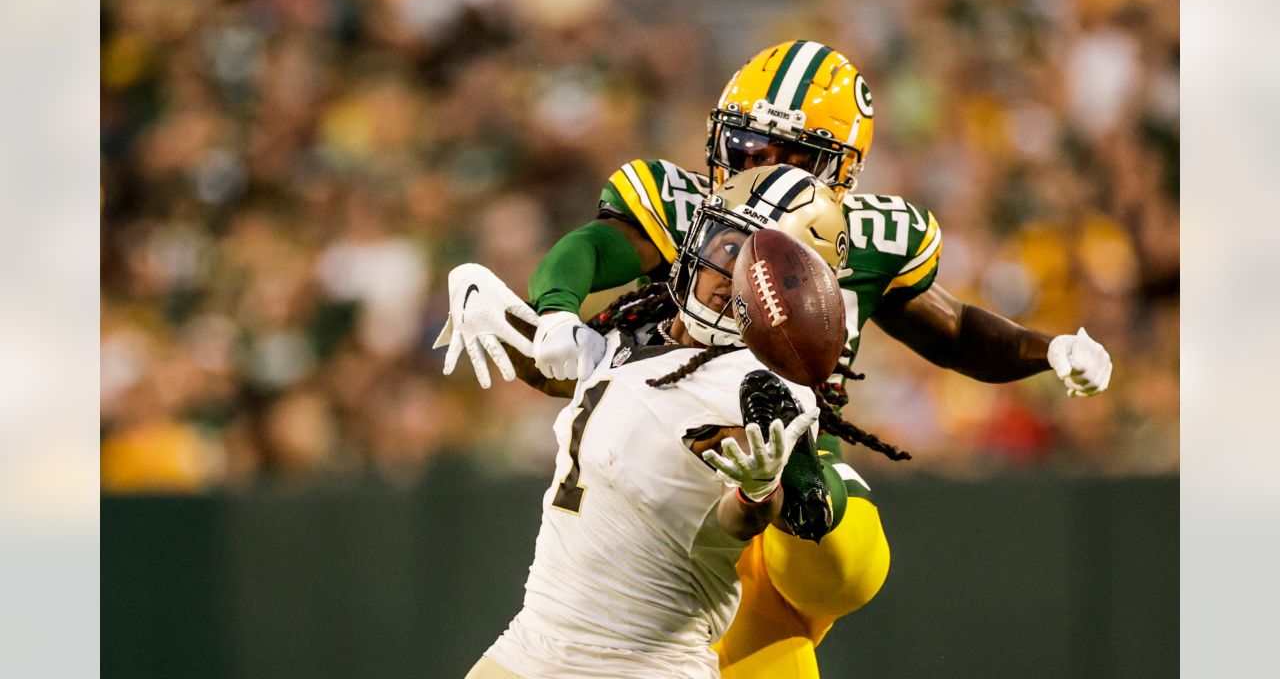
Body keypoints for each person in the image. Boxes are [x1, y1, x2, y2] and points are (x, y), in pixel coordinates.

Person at [443, 41, 1113, 678]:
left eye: (783, 157)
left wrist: (1046, 350)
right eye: (744, 146)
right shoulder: (684, 205)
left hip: (776, 445)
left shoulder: (861, 239)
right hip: (673, 457)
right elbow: (592, 248)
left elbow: (955, 330)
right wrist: (556, 309)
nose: (756, 169)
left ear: (839, 171)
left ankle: (796, 497)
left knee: (837, 558)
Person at [454, 166, 887, 678]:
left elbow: (741, 518)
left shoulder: (759, 384)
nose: (733, 277)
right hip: (531, 646)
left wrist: (762, 493)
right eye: (731, 248)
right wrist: (513, 307)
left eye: (762, 269)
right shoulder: (646, 335)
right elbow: (573, 343)